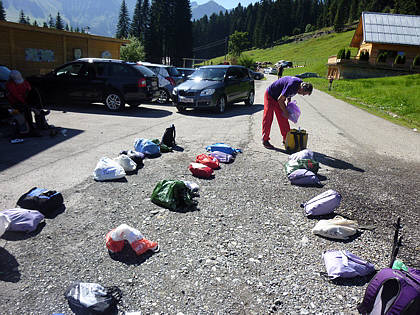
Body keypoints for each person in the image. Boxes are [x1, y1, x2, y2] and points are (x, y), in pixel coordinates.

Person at [262, 76, 313, 149]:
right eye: (304, 93)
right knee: (268, 117)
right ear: (302, 88)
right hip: (270, 95)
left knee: (283, 119)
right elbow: (281, 100)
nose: (303, 95)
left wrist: (289, 102)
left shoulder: (299, 85)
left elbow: (287, 93)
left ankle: (286, 139)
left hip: (279, 98)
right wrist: (285, 111)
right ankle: (265, 140)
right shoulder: (292, 84)